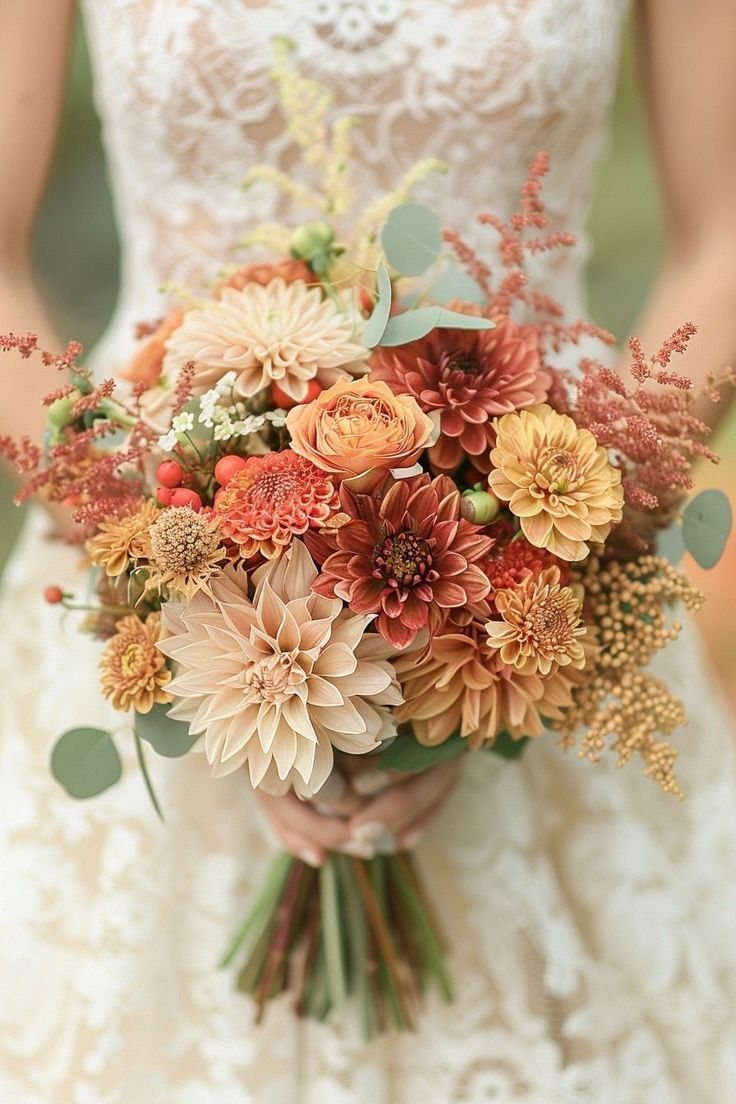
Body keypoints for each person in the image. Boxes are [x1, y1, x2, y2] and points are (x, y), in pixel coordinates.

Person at [1, 2, 735, 1101]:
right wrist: (170, 582)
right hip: (145, 533)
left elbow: (723, 232)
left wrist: (548, 580)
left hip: (542, 540)